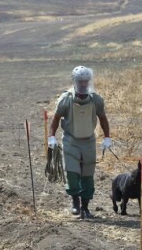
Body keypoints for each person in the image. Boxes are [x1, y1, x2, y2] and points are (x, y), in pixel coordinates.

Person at [48, 66, 112, 219]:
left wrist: (107, 137)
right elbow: (56, 118)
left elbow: (103, 118)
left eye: (86, 81)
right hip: (71, 140)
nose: (83, 84)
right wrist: (51, 137)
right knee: (72, 173)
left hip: (89, 141)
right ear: (75, 81)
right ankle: (75, 203)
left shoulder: (95, 99)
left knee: (88, 175)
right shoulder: (66, 99)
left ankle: (86, 207)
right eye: (80, 81)